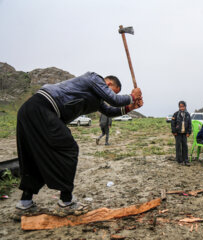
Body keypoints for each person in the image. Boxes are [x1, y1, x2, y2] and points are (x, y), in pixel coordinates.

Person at [15, 72, 143, 210]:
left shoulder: (97, 99)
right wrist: (132, 96)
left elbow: (109, 111)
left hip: (31, 110)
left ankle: (25, 202)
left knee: (36, 156)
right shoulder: (94, 78)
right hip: (42, 107)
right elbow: (114, 100)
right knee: (69, 149)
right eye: (111, 91)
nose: (107, 95)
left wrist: (131, 107)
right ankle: (66, 201)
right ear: (109, 84)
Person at [171, 101, 192, 166]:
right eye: (180, 107)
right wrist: (174, 131)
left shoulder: (187, 114)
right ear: (179, 107)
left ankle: (185, 159)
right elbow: (172, 124)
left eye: (183, 106)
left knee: (185, 146)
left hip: (184, 133)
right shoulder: (176, 114)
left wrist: (189, 132)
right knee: (178, 146)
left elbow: (189, 124)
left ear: (185, 107)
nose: (182, 108)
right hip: (178, 133)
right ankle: (179, 160)